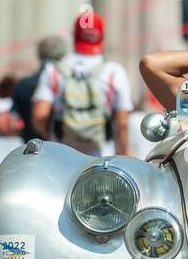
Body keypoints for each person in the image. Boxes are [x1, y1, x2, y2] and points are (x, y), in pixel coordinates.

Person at [31, 12, 132, 155]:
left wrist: (50, 137)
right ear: (102, 37)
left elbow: (39, 115)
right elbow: (122, 124)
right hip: (102, 157)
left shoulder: (54, 70)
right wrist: (123, 155)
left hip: (62, 156)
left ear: (74, 35)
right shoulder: (114, 72)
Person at [11, 35, 66, 142]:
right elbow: (40, 115)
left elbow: (14, 122)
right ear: (63, 56)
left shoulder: (22, 85)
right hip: (60, 148)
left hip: (29, 148)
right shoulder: (66, 83)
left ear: (39, 55)